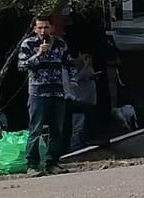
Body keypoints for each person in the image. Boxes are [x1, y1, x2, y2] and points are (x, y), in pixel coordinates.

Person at [15, 16, 73, 174]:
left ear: (52, 28)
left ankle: (52, 163)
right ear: (34, 29)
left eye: (46, 27)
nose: (43, 31)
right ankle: (32, 165)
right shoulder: (28, 44)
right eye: (39, 28)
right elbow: (21, 66)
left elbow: (69, 62)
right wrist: (38, 55)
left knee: (57, 130)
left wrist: (73, 79)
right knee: (36, 129)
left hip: (57, 92)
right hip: (37, 93)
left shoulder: (60, 44)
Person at [65, 50, 99, 151]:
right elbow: (76, 78)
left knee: (85, 121)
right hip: (78, 97)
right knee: (77, 123)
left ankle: (82, 141)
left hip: (89, 97)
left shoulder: (88, 66)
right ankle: (73, 145)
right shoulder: (73, 65)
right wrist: (85, 65)